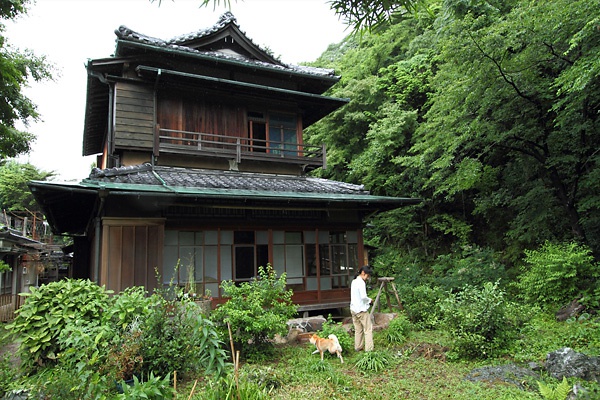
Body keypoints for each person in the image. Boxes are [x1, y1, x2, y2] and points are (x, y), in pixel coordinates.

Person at [350, 265, 374, 352]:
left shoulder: (354, 281)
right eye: (367, 275)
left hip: (353, 309)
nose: (367, 278)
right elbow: (363, 297)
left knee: (358, 329)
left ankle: (358, 347)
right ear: (363, 273)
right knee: (368, 329)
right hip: (361, 310)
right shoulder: (361, 283)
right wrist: (370, 300)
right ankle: (369, 350)